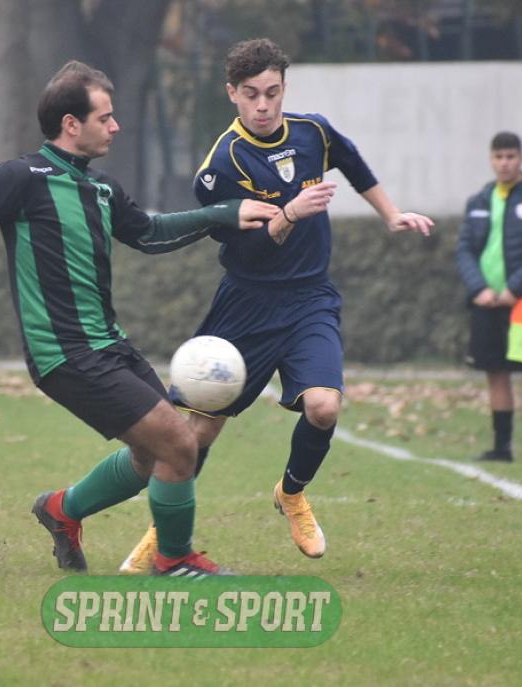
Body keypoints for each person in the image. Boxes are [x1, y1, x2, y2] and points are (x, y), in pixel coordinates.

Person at [0, 61, 278, 577]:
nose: (115, 126)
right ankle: (174, 559)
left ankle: (62, 510)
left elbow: (149, 233)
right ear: (71, 124)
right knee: (179, 442)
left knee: (152, 458)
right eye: (105, 117)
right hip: (65, 354)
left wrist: (224, 214)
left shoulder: (101, 189)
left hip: (110, 346)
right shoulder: (21, 178)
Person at [119, 38, 434, 573]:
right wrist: (289, 213)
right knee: (198, 434)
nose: (263, 105)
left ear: (284, 87)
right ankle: (164, 535)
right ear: (232, 94)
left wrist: (391, 214)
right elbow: (246, 251)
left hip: (310, 298)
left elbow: (353, 163)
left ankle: (291, 493)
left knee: (324, 407)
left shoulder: (313, 132)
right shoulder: (221, 167)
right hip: (248, 302)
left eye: (272, 92)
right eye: (251, 94)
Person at [455, 131, 522, 465]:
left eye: (510, 157)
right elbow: (464, 249)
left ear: (521, 159)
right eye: (499, 157)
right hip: (487, 302)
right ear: (491, 160)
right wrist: (479, 288)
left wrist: (514, 289)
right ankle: (501, 448)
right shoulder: (479, 201)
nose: (504, 163)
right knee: (496, 373)